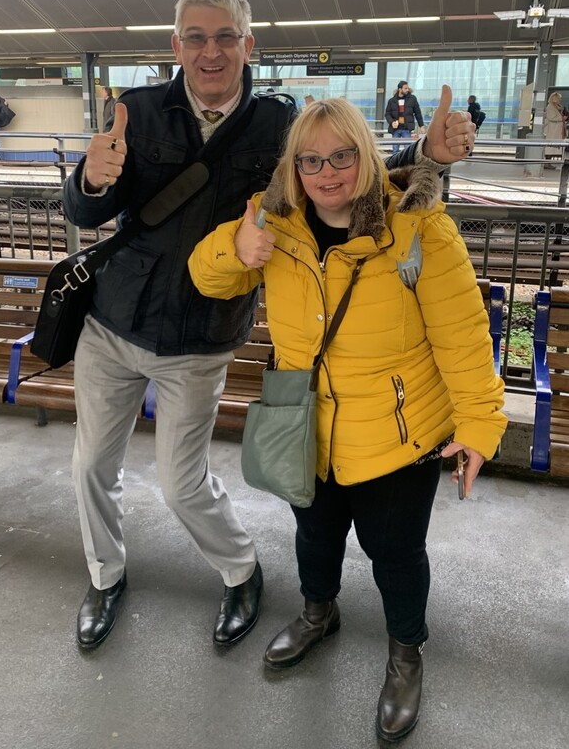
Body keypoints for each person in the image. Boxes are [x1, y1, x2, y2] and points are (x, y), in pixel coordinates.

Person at [62, 0, 477, 653]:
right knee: (88, 468)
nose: (211, 51)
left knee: (179, 481)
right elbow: (86, 211)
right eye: (195, 37)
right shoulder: (135, 113)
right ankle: (104, 577)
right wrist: (89, 179)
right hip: (113, 324)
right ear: (176, 45)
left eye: (225, 36)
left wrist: (428, 157)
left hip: (201, 335)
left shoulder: (279, 124)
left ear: (247, 44)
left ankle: (241, 571)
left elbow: (350, 174)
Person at [188, 98, 506, 741]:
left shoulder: (420, 230)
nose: (327, 172)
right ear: (294, 167)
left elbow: (464, 338)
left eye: (342, 156)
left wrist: (478, 426)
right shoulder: (273, 224)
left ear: (367, 155)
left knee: (394, 553)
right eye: (311, 160)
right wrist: (235, 245)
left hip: (400, 434)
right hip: (309, 427)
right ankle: (317, 613)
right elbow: (207, 279)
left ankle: (405, 654)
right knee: (315, 534)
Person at [386, 81, 425, 152]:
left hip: (406, 128)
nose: (407, 90)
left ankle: (407, 163)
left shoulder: (412, 99)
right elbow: (387, 114)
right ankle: (395, 163)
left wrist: (421, 125)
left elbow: (418, 113)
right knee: (395, 149)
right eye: (405, 88)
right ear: (400, 89)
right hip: (395, 129)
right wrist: (392, 122)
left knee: (407, 149)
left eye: (407, 88)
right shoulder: (391, 101)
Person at [544, 91, 565, 169]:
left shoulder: (557, 107)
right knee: (550, 146)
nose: (560, 100)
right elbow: (551, 117)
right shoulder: (550, 107)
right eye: (559, 98)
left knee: (553, 146)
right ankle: (547, 162)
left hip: (556, 129)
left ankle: (549, 162)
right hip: (552, 129)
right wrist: (562, 119)